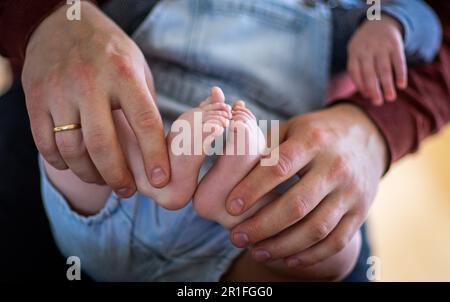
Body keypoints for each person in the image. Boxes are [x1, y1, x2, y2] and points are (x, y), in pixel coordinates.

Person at [0, 0, 447, 281]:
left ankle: (216, 188)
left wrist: (393, 24)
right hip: (128, 176)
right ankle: (179, 175)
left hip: (247, 225)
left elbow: (432, 22)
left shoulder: (342, 10)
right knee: (81, 134)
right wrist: (53, 17)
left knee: (336, 251)